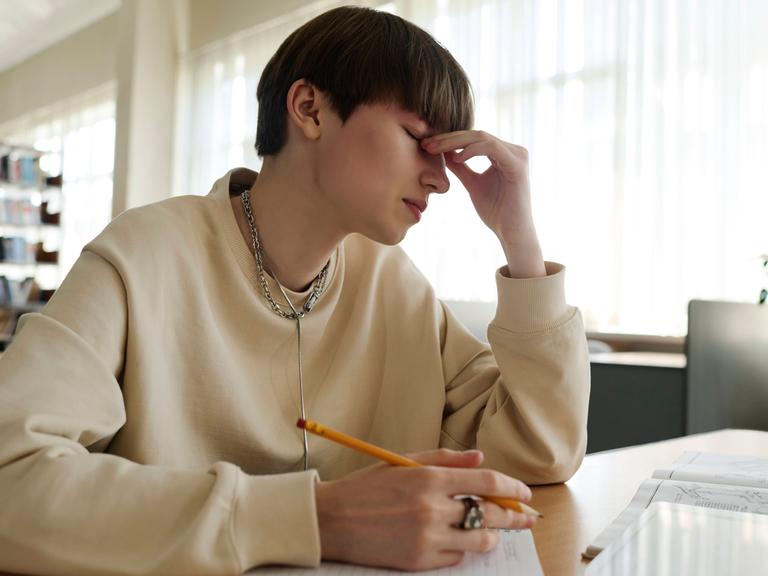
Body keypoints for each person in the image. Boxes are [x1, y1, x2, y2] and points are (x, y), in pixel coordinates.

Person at [0, 6, 589, 575]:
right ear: (309, 108)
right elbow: (12, 481)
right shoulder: (142, 256)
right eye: (417, 137)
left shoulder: (395, 283)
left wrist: (521, 242)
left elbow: (538, 455)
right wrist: (317, 517)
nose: (440, 179)